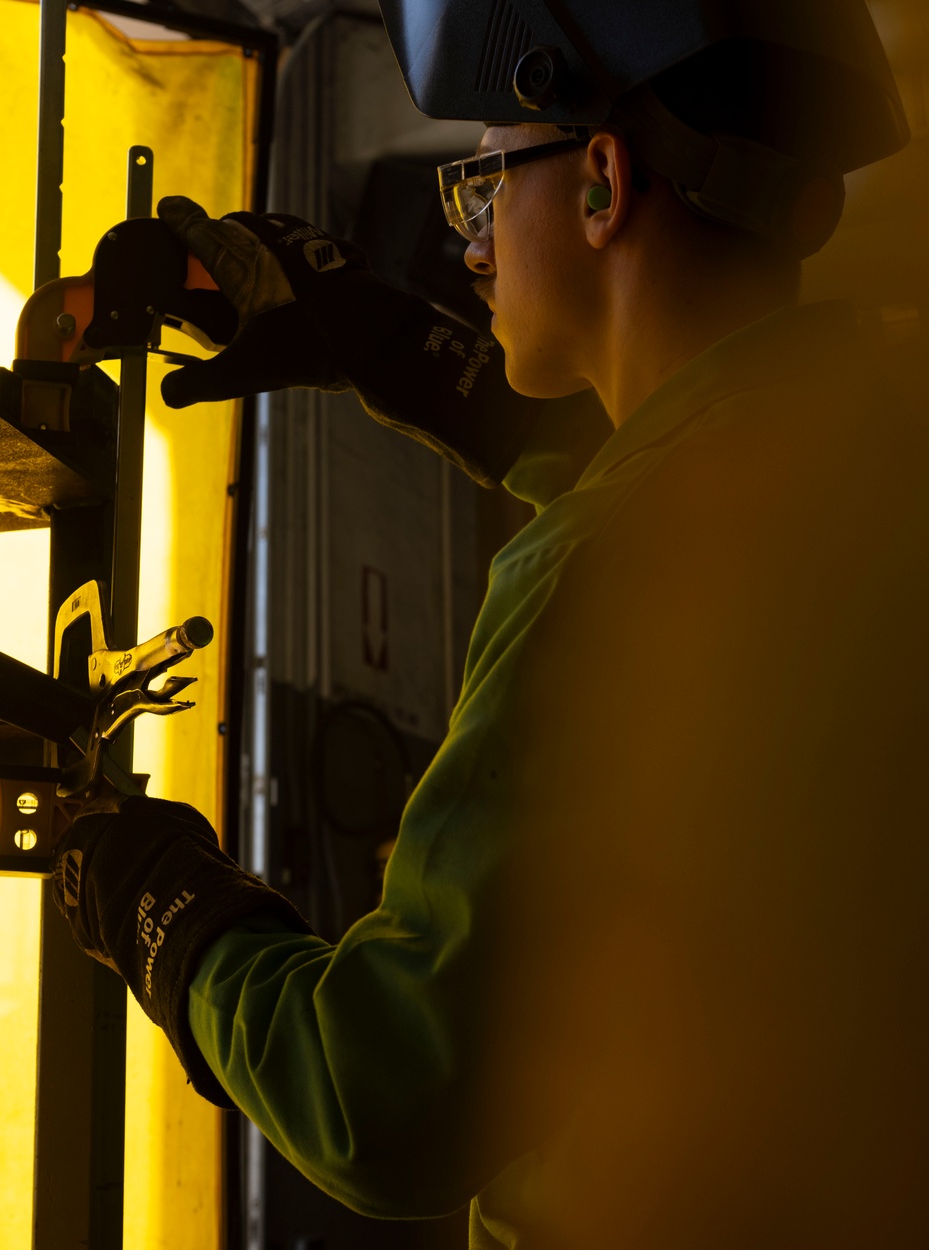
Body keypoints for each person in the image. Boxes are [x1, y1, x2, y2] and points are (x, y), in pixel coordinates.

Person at [53, 3, 929, 1246]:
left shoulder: (598, 574)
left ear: (601, 183)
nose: (469, 246)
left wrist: (160, 903)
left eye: (485, 184)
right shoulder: (875, 445)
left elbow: (381, 1094)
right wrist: (381, 339)